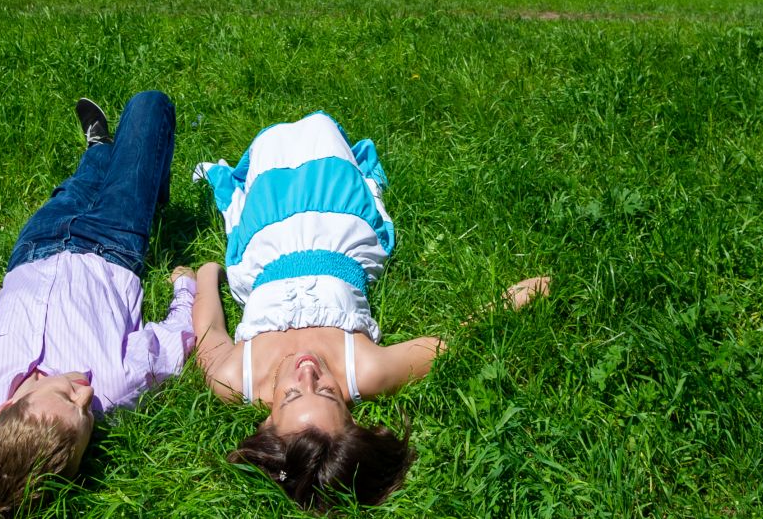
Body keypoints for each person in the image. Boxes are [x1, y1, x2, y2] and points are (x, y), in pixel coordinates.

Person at [192, 112, 548, 511]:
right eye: (328, 392)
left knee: (272, 143)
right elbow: (447, 344)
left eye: (292, 394)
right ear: (350, 411)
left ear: (266, 421)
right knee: (318, 130)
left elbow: (208, 328)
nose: (308, 372)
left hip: (266, 240)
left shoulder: (233, 376)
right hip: (338, 223)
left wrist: (205, 275)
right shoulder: (363, 370)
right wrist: (507, 302)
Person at [0, 91, 196, 515]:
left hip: (36, 247)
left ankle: (100, 149)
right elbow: (175, 342)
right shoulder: (115, 389)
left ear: (7, 407)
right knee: (149, 106)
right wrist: (185, 290)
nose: (85, 397)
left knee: (77, 187)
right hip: (113, 245)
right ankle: (148, 188)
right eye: (87, 421)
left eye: (68, 400)